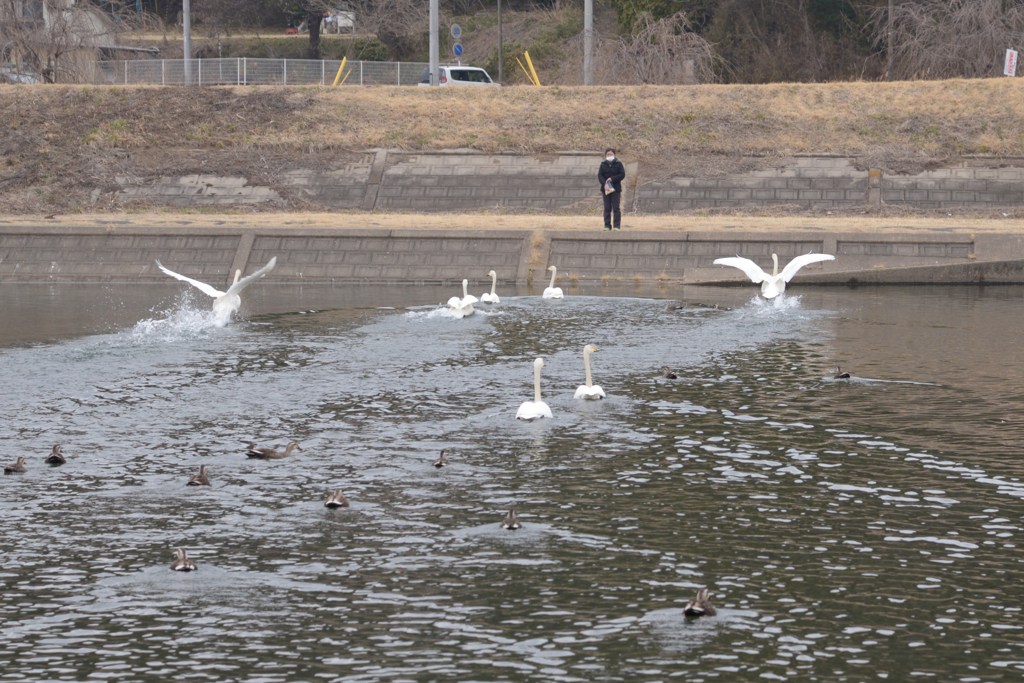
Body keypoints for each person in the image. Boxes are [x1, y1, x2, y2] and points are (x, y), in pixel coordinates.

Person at [598, 148, 626, 231]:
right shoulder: (603, 164)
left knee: (616, 208)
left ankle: (617, 226)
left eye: (611, 154)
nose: (609, 156)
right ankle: (607, 225)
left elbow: (622, 174)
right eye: (608, 154)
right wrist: (605, 183)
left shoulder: (618, 164)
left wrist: (612, 179)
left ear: (614, 155)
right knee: (607, 208)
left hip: (616, 189)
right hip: (606, 189)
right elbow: (600, 175)